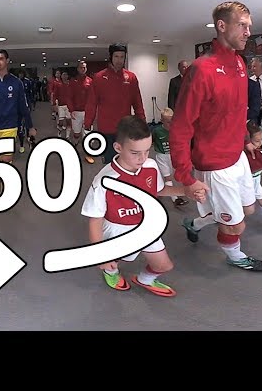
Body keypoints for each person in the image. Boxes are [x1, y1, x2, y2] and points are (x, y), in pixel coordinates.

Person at [170, 0, 262, 272]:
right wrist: (185, 176)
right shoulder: (201, 69)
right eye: (242, 25)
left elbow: (237, 112)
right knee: (234, 223)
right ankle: (236, 257)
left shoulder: (240, 64)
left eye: (249, 26)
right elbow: (181, 126)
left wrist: (245, 142)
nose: (248, 32)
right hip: (214, 162)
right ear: (221, 25)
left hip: (236, 155)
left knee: (248, 210)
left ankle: (194, 223)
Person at [81, 116, 204, 297]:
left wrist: (185, 191)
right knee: (113, 262)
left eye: (147, 151)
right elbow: (95, 221)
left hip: (145, 226)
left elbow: (159, 190)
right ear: (118, 148)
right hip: (117, 228)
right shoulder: (104, 180)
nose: (142, 158)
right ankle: (111, 272)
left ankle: (144, 279)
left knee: (164, 266)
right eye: (135, 153)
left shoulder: (151, 165)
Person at [184, 121, 262, 240]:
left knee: (261, 202)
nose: (260, 143)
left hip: (254, 184)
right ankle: (195, 224)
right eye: (257, 141)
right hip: (238, 186)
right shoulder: (242, 158)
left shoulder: (256, 154)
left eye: (261, 140)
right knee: (230, 215)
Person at [85, 43, 146, 164]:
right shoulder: (99, 77)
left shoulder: (131, 77)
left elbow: (137, 103)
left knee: (126, 162)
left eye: (122, 57)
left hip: (125, 129)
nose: (119, 60)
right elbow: (92, 103)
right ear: (111, 57)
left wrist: (142, 122)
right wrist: (87, 124)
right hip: (106, 129)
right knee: (110, 163)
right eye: (116, 56)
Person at [152, 108, 188, 206]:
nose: (170, 124)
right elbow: (151, 141)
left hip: (173, 156)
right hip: (161, 156)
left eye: (172, 122)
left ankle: (169, 191)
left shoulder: (176, 130)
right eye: (168, 122)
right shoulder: (157, 131)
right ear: (162, 120)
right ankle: (175, 199)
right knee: (167, 177)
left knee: (175, 176)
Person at [70, 61, 95, 164]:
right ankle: (75, 144)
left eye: (84, 67)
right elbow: (69, 96)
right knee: (76, 134)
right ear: (77, 68)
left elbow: (94, 97)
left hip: (88, 112)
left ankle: (88, 153)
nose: (83, 69)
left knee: (88, 134)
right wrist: (71, 110)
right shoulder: (73, 81)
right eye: (81, 67)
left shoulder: (90, 81)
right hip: (76, 111)